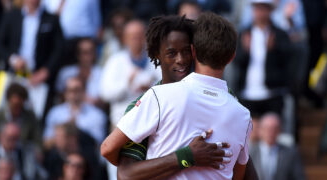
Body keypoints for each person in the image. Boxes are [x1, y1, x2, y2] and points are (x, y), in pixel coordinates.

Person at [101, 12, 252, 179]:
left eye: (186, 51)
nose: (180, 59)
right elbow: (125, 174)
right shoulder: (151, 100)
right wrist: (186, 158)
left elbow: (243, 171)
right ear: (156, 54)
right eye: (171, 53)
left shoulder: (233, 104)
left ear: (194, 51)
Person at [0, 0, 63, 86]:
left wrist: (46, 71)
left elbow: (59, 49)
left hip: (37, 78)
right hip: (11, 74)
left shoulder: (51, 20)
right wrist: (13, 59)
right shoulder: (11, 16)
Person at [43, 77, 107, 147]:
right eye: (70, 90)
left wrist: (76, 131)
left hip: (86, 154)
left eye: (76, 90)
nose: (73, 94)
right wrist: (63, 134)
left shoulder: (97, 115)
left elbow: (98, 143)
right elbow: (46, 143)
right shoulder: (55, 113)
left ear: (84, 91)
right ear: (65, 93)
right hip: (60, 155)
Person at [250, 113, 306, 180]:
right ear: (260, 130)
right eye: (267, 129)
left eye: (274, 129)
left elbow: (299, 177)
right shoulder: (250, 152)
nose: (270, 132)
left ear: (279, 131)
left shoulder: (290, 153)